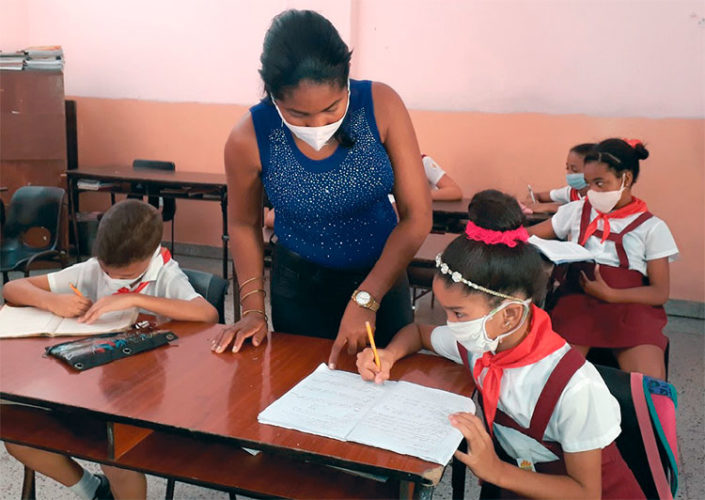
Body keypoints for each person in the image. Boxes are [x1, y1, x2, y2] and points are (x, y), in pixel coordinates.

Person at [356, 190, 645, 499]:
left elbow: (586, 492)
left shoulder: (574, 388)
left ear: (509, 315)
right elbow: (417, 333)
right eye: (445, 311)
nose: (451, 325)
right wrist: (387, 355)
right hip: (520, 477)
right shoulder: (481, 342)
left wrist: (495, 470)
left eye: (458, 313)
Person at [213, 9, 432, 367]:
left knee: (383, 384)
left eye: (332, 108)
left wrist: (368, 298)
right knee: (305, 391)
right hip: (300, 287)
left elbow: (417, 216)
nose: (318, 124)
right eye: (298, 115)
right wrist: (254, 309)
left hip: (383, 274)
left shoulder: (382, 106)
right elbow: (242, 224)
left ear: (346, 80)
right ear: (273, 95)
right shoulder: (249, 136)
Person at [3, 199, 218, 500]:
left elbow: (208, 314)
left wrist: (135, 300)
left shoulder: (166, 274)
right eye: (108, 270)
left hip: (144, 397)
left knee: (117, 461)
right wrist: (52, 301)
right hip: (87, 384)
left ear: (151, 254)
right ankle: (94, 491)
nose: (113, 280)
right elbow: (11, 290)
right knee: (16, 433)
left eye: (125, 275)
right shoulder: (91, 270)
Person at [529, 139, 678, 380]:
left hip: (630, 307)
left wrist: (611, 295)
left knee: (649, 390)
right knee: (553, 379)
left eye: (600, 183)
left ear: (626, 179)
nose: (592, 192)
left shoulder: (652, 228)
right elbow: (529, 235)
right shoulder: (577, 211)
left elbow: (659, 292)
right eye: (588, 184)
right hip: (578, 300)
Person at [527, 143, 595, 214]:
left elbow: (581, 210)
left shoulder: (597, 197)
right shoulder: (572, 192)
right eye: (567, 168)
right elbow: (538, 195)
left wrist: (548, 207)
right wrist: (531, 201)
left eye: (575, 170)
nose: (569, 173)